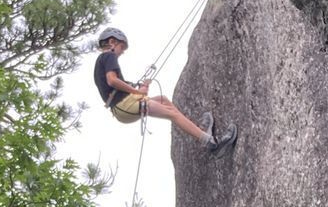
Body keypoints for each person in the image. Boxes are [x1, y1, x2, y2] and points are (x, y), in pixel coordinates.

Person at [93, 27, 237, 157]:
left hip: (123, 107)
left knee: (163, 100)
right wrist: (138, 93)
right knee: (172, 114)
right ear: (112, 42)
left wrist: (140, 90)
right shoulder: (108, 56)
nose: (122, 52)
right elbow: (112, 80)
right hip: (125, 106)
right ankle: (212, 143)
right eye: (121, 47)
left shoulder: (101, 62)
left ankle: (199, 131)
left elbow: (114, 87)